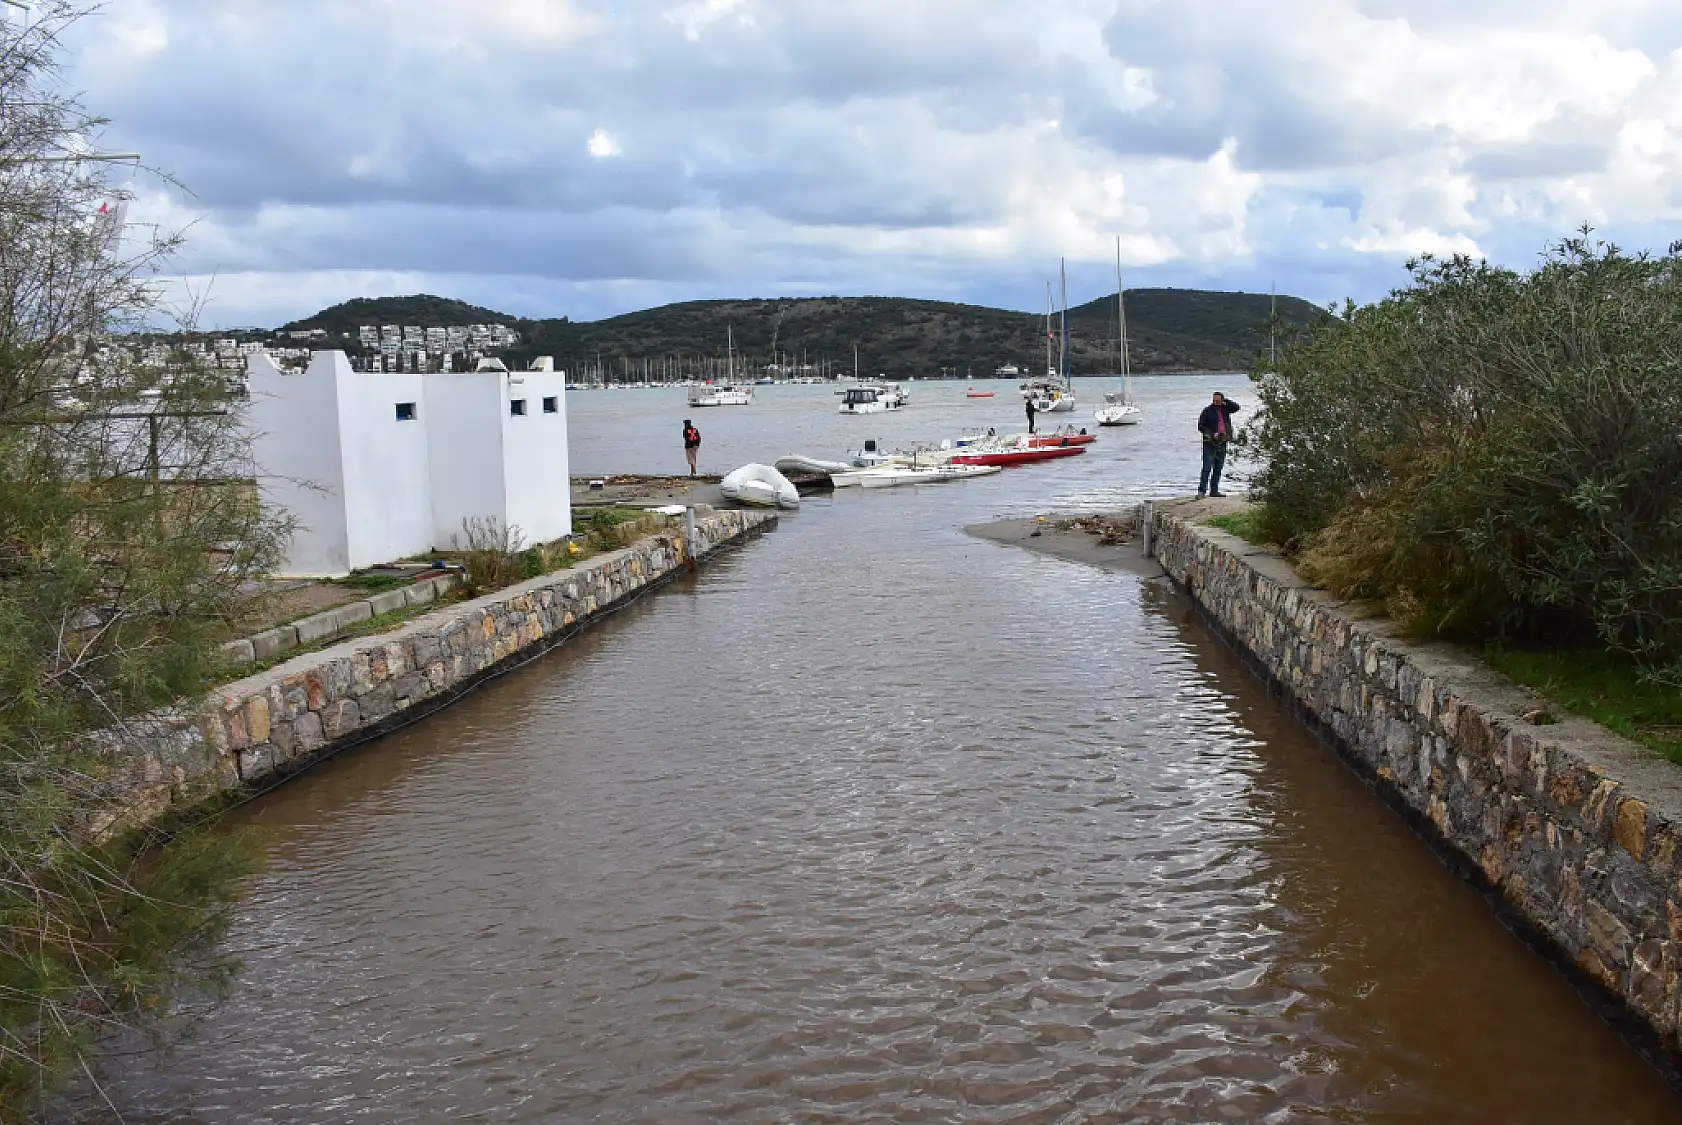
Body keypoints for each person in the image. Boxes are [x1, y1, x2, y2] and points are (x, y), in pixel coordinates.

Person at [1197, 392, 1240, 497]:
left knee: (1218, 467)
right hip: (1210, 442)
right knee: (1207, 467)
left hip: (1222, 441)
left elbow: (1237, 407)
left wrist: (1226, 401)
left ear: (1222, 400)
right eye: (1214, 400)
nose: (1215, 402)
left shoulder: (1226, 409)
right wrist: (1212, 434)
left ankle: (1214, 490)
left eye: (1218, 400)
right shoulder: (1207, 411)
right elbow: (1201, 426)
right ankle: (1201, 491)